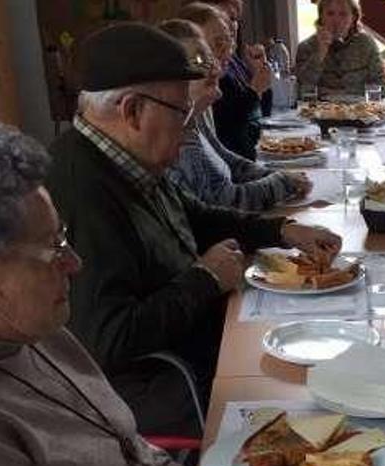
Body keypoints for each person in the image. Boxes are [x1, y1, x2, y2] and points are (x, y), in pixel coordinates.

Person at [45, 23, 342, 435]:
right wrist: (204, 280)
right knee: (317, 404)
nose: (189, 129)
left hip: (201, 342)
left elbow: (199, 215)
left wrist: (284, 232)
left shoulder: (125, 156)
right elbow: (109, 340)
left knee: (325, 343)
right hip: (160, 385)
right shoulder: (80, 191)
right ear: (132, 111)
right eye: (181, 113)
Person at [0, 123, 193, 466]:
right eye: (52, 249)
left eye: (63, 237)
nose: (74, 262)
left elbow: (131, 448)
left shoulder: (46, 331)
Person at [160, 18, 312, 211]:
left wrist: (276, 175)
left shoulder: (193, 117)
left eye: (229, 40)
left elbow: (228, 158)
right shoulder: (174, 137)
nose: (215, 67)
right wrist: (281, 182)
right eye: (201, 60)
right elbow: (222, 202)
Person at [199, 0, 273, 160]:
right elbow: (229, 131)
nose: (232, 26)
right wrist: (255, 90)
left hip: (252, 155)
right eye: (225, 18)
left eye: (234, 19)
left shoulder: (234, 61)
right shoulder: (207, 73)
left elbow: (264, 112)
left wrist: (258, 74)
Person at [294, 0, 385, 97]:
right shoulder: (306, 47)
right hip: (319, 110)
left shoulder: (366, 44)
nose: (336, 20)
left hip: (359, 109)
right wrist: (319, 54)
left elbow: (384, 88)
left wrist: (344, 94)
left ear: (353, 19)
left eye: (343, 14)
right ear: (321, 18)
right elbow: (299, 90)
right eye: (330, 14)